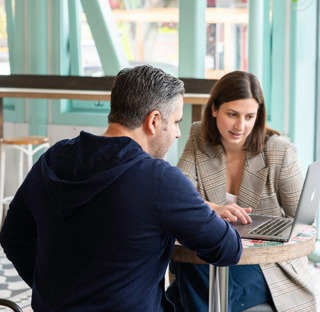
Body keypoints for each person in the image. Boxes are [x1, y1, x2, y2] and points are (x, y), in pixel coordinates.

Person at [0, 65, 243, 312]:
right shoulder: (159, 179)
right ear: (154, 121)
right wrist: (201, 211)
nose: (179, 133)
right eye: (177, 122)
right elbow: (228, 249)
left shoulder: (53, 159)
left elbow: (12, 237)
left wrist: (50, 292)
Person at [166, 70, 318, 312]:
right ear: (214, 109)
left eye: (250, 116)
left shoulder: (279, 151)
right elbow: (177, 196)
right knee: (194, 265)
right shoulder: (198, 136)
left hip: (265, 264)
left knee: (184, 287)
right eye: (232, 114)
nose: (241, 125)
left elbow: (303, 224)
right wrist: (214, 209)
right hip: (213, 252)